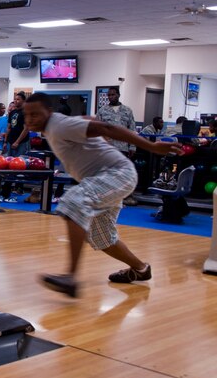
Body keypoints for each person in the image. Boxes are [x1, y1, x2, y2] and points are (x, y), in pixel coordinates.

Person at [22, 93, 180, 298]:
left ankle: (70, 276)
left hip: (117, 174)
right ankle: (141, 269)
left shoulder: (59, 125)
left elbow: (107, 128)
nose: (30, 119)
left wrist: (151, 146)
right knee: (102, 238)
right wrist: (93, 125)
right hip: (104, 180)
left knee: (73, 201)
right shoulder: (56, 126)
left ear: (49, 112)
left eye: (36, 114)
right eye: (27, 115)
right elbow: (92, 121)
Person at [96, 86, 138, 205]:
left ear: (118, 95)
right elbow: (97, 129)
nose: (110, 97)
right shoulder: (102, 111)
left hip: (123, 147)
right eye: (109, 95)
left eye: (113, 94)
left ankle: (126, 196)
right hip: (107, 148)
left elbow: (132, 129)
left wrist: (133, 146)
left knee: (124, 174)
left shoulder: (127, 111)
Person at [6, 91, 29, 156]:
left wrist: (17, 142)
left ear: (24, 101)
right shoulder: (12, 112)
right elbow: (9, 128)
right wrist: (5, 141)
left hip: (21, 142)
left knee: (19, 163)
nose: (15, 101)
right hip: (10, 141)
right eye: (15, 99)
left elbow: (26, 129)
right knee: (9, 162)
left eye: (18, 99)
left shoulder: (26, 112)